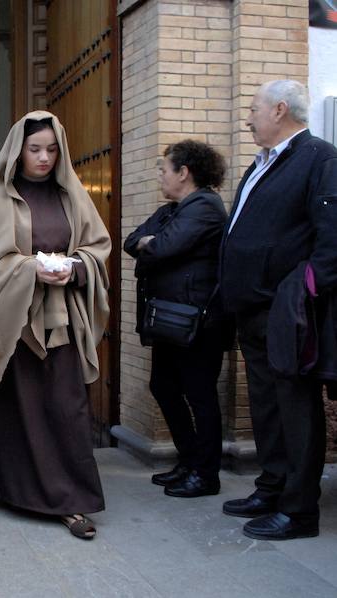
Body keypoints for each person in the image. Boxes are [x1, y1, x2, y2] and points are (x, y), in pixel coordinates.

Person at [0, 112, 110, 540]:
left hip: (63, 320)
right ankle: (14, 490)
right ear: (18, 151)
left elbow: (97, 248)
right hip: (17, 323)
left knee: (66, 407)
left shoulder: (73, 197)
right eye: (35, 149)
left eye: (52, 149)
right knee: (20, 407)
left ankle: (72, 501)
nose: (44, 158)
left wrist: (74, 267)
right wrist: (29, 269)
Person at [219, 80, 337, 541]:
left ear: (280, 110)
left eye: (253, 109)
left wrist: (304, 288)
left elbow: (331, 236)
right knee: (266, 405)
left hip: (288, 310)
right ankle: (271, 487)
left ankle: (299, 510)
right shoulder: (262, 163)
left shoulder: (319, 158)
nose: (247, 118)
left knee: (296, 409)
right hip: (251, 307)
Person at [124, 140, 231, 498]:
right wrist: (148, 243)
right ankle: (188, 461)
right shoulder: (174, 209)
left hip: (199, 323)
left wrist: (151, 246)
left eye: (163, 170)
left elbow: (163, 248)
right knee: (164, 386)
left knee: (200, 395)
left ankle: (206, 473)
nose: (160, 177)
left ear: (184, 173)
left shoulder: (204, 207)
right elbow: (132, 240)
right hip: (172, 320)